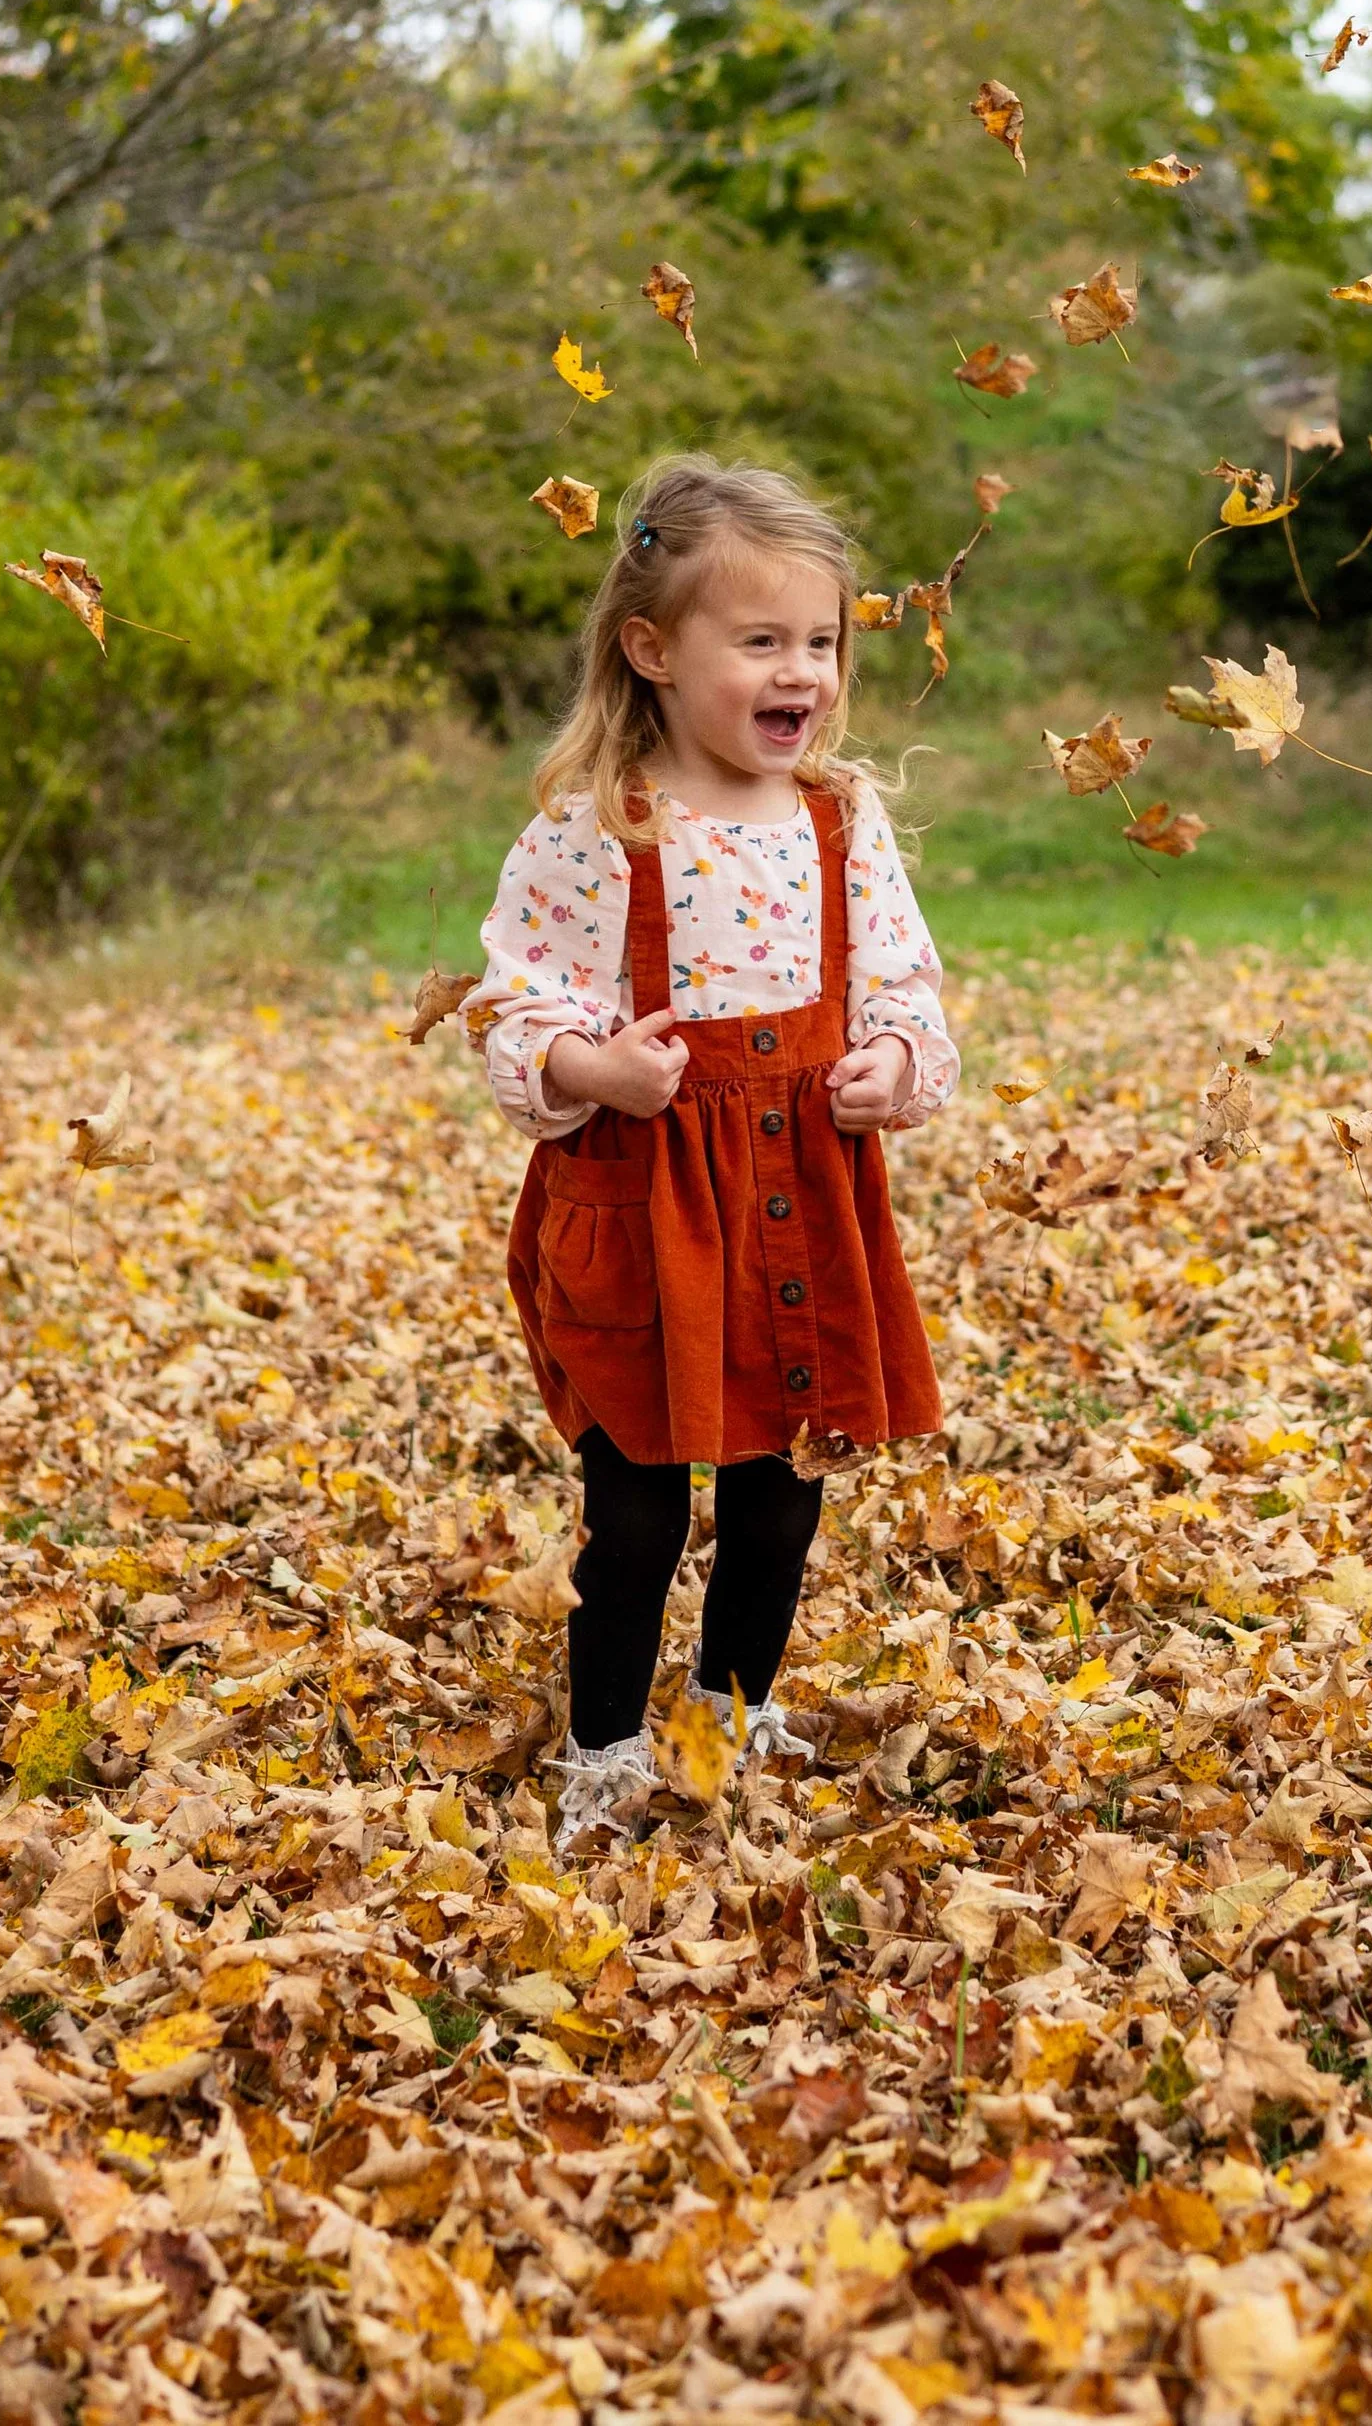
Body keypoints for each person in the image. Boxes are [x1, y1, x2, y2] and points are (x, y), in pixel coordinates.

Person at [468, 455, 954, 1844]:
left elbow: (908, 987)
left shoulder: (840, 819)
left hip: (800, 1191)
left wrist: (893, 1067)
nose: (800, 669)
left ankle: (728, 1707)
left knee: (779, 1486)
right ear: (653, 650)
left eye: (820, 639)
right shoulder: (599, 823)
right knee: (635, 1506)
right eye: (761, 641)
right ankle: (607, 1747)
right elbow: (514, 997)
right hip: (646, 1193)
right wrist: (593, 1066)